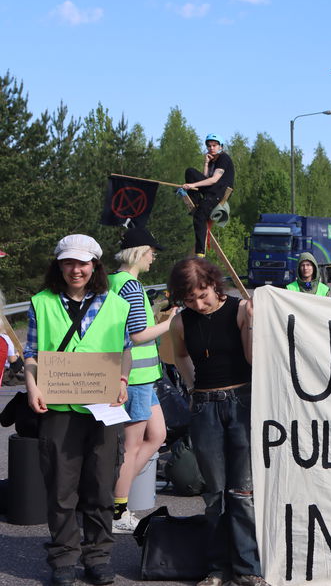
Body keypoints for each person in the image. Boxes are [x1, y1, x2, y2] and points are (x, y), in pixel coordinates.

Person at [23, 234, 131, 586]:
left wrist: (124, 381)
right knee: (61, 486)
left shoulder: (116, 303)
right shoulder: (41, 302)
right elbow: (33, 353)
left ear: (95, 266)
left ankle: (98, 555)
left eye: (83, 263)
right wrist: (32, 387)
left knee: (101, 485)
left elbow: (125, 350)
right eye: (69, 262)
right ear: (59, 264)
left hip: (103, 407)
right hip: (58, 405)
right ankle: (64, 557)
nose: (76, 269)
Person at [168, 258, 267, 586]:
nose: (199, 303)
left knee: (242, 492)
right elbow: (180, 355)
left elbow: (253, 358)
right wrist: (192, 384)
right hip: (204, 407)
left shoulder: (239, 310)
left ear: (214, 283)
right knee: (214, 494)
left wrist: (252, 322)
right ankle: (216, 568)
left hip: (241, 401)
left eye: (203, 294)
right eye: (190, 298)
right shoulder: (181, 322)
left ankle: (247, 567)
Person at [108, 227, 176, 534]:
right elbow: (137, 335)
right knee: (131, 447)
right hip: (135, 377)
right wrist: (171, 323)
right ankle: (117, 509)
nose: (153, 257)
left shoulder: (112, 281)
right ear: (138, 253)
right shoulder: (132, 287)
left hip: (142, 377)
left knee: (158, 435)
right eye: (151, 252)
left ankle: (111, 498)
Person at [183, 133, 235, 257]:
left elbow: (213, 180)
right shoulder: (212, 160)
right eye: (209, 146)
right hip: (211, 189)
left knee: (200, 216)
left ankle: (200, 252)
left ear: (220, 147)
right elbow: (205, 178)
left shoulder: (223, 158)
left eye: (214, 145)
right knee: (190, 172)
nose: (211, 148)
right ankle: (197, 202)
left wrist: (191, 185)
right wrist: (206, 163)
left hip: (219, 191)